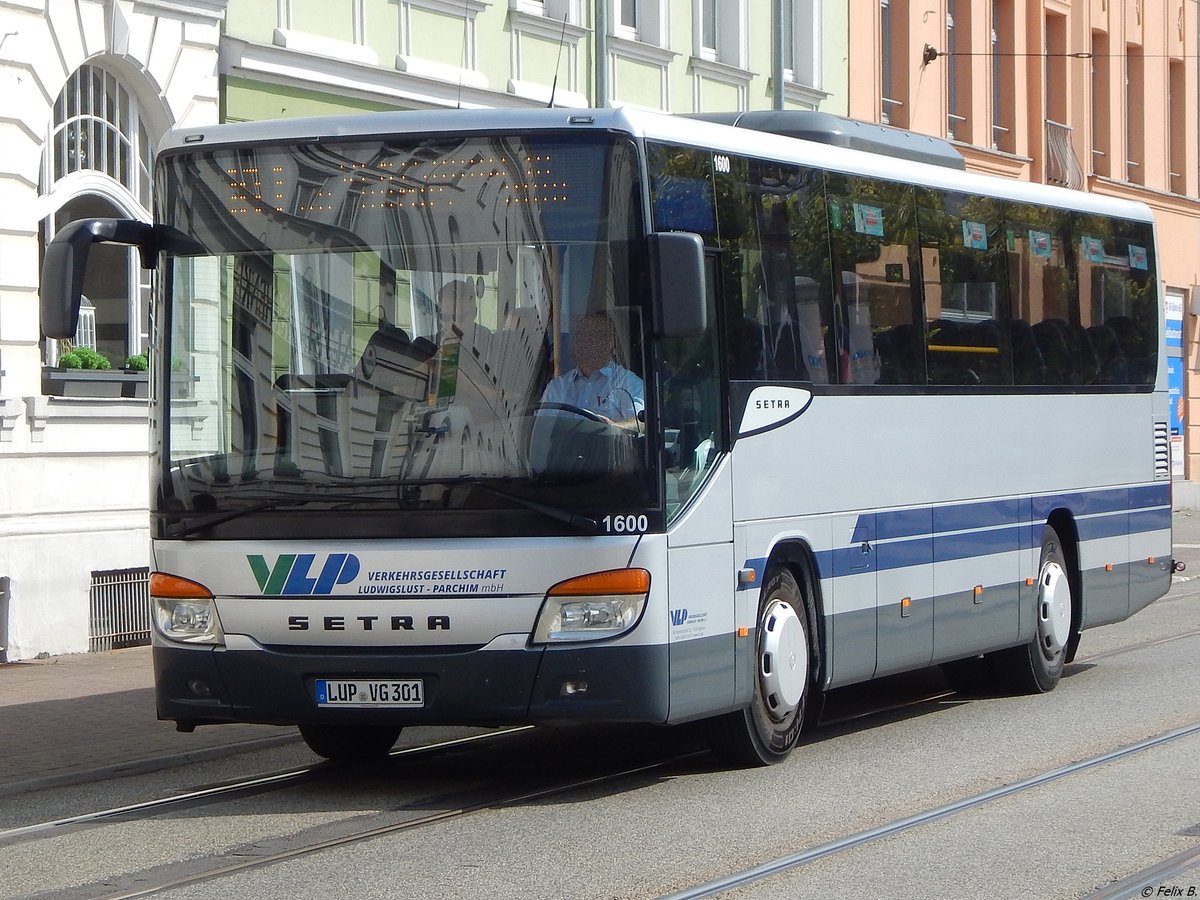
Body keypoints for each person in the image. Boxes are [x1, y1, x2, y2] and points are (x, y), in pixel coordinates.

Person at [540, 312, 644, 431]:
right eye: (581, 336)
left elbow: (640, 422)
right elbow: (541, 428)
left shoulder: (627, 383)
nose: (587, 343)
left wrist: (613, 428)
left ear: (611, 344)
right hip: (563, 448)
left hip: (609, 448)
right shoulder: (557, 387)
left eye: (595, 337)